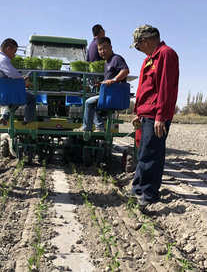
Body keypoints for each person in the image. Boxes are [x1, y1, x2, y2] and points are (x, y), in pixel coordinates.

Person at [130, 24, 179, 208]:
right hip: (146, 114)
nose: (138, 48)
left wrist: (161, 116)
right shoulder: (149, 59)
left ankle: (149, 194)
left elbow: (166, 88)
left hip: (156, 115)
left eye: (138, 44)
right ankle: (137, 189)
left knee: (152, 154)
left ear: (148, 40)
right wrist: (138, 113)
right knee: (143, 152)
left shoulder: (166, 54)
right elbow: (144, 89)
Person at [76, 36, 129, 132]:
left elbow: (125, 70)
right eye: (100, 49)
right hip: (108, 94)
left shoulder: (116, 59)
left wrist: (114, 80)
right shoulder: (107, 63)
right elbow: (108, 80)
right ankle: (98, 126)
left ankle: (89, 127)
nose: (102, 51)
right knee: (92, 102)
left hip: (115, 96)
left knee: (89, 103)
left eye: (105, 48)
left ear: (111, 47)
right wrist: (101, 84)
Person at [0, 38, 36, 125]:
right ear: (8, 49)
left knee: (19, 95)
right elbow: (13, 74)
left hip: (1, 90)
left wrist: (20, 78)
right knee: (31, 98)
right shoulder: (3, 59)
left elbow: (10, 74)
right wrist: (24, 80)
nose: (14, 55)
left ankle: (5, 116)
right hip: (5, 91)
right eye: (14, 51)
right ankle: (28, 121)